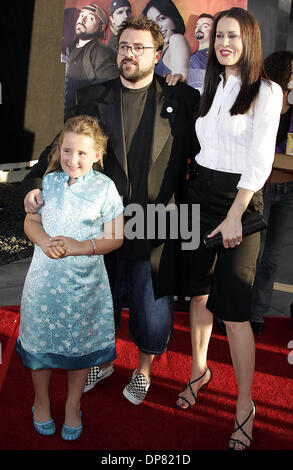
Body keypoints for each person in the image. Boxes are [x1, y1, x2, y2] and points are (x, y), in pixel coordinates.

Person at [22, 16, 200, 406]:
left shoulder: (183, 100)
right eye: (124, 47)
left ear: (159, 54)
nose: (129, 54)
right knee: (98, 303)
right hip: (99, 224)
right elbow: (60, 146)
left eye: (139, 48)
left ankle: (143, 370)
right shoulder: (92, 97)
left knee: (153, 318)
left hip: (156, 223)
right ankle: (101, 362)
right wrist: (35, 184)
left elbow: (202, 159)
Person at [177, 7, 282, 450]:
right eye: (219, 35)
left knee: (236, 311)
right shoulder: (209, 84)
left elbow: (260, 159)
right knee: (197, 294)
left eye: (233, 36)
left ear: (249, 40)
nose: (224, 43)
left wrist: (237, 212)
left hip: (238, 201)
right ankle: (200, 369)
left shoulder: (267, 90)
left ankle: (244, 403)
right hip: (198, 194)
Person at [16, 115, 124, 440]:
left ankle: (73, 405)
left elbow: (116, 236)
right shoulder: (46, 183)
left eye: (81, 153)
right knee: (40, 348)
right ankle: (41, 402)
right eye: (67, 151)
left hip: (85, 287)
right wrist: (44, 241)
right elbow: (30, 222)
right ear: (58, 150)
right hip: (43, 283)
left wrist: (82, 246)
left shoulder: (106, 189)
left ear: (97, 155)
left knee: (80, 349)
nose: (72, 159)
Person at [250, 50, 293, 334]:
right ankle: (235, 307)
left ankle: (257, 312)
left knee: (272, 256)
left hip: (287, 191)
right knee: (249, 254)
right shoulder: (260, 103)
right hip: (259, 188)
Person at [64, 2, 119, 119]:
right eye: (81, 15)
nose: (82, 19)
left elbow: (107, 96)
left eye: (90, 18)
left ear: (101, 27)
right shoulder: (70, 49)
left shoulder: (102, 53)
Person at [142, 0, 190, 80]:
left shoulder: (176, 39)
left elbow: (181, 82)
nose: (158, 27)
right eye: (152, 24)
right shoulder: (159, 52)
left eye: (161, 18)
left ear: (173, 18)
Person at [188, 14, 214, 91]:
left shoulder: (213, 55)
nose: (199, 28)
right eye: (197, 25)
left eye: (205, 26)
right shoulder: (194, 56)